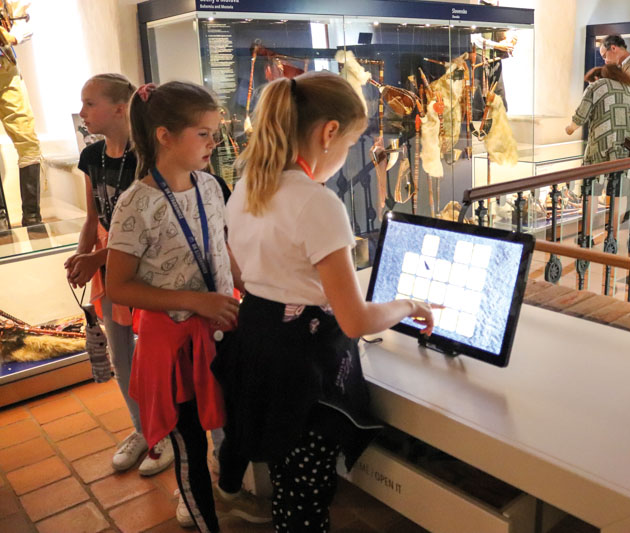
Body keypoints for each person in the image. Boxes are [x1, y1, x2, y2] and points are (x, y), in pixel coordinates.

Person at [216, 71, 436, 531]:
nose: (346, 155)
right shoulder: (317, 203)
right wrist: (409, 305)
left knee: (286, 472)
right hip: (303, 372)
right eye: (351, 143)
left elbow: (244, 275)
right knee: (308, 496)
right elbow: (355, 321)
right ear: (329, 132)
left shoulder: (246, 186)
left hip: (259, 348)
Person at [105, 81, 268, 533]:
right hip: (175, 348)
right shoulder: (135, 204)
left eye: (215, 133)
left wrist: (249, 287)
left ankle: (228, 490)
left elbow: (220, 247)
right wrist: (194, 300)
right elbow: (118, 286)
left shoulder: (210, 185)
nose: (214, 143)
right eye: (204, 134)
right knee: (190, 444)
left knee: (238, 421)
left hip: (222, 327)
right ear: (165, 136)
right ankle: (203, 517)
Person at [65, 74, 174, 477]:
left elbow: (151, 229)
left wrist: (96, 257)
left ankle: (169, 432)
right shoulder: (92, 157)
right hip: (108, 267)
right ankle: (144, 429)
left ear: (119, 108)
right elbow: (93, 216)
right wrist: (83, 258)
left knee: (158, 356)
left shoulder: (147, 157)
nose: (82, 112)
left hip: (148, 270)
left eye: (89, 103)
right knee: (121, 355)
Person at [0, 1, 42, 226]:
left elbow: (24, 20)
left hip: (6, 69)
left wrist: (13, 35)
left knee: (28, 141)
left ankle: (32, 218)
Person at [565, 64, 630, 165]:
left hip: (605, 149)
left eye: (589, 82)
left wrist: (570, 129)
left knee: (598, 174)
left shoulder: (597, 85)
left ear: (596, 78)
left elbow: (581, 116)